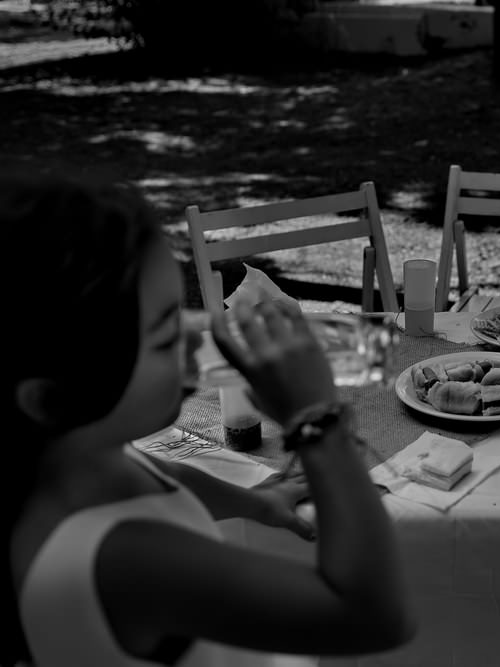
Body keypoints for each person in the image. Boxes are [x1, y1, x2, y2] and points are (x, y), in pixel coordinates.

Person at [2, 174, 416, 666]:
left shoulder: (75, 463)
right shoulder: (123, 559)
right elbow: (375, 615)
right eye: (162, 338)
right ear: (52, 399)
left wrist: (256, 503)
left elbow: (169, 477)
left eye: (182, 317)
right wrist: (317, 422)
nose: (196, 342)